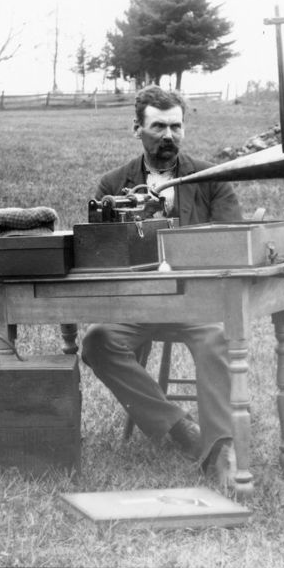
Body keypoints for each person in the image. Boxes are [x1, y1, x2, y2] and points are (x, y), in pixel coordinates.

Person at [69, 85, 243, 486]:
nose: (169, 136)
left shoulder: (213, 180)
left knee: (215, 339)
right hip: (136, 307)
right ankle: (180, 428)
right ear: (137, 129)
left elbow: (232, 241)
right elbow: (98, 257)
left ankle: (219, 450)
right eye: (159, 126)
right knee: (97, 342)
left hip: (194, 304)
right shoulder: (111, 187)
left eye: (176, 127)